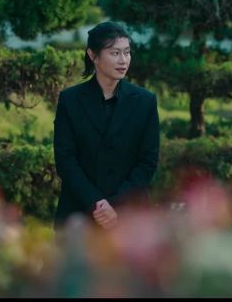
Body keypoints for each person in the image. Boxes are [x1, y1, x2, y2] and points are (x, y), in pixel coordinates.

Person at [53, 21, 159, 230]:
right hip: (79, 212)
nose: (123, 60)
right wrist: (97, 204)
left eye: (127, 52)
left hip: (129, 216)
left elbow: (147, 162)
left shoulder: (145, 101)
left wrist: (115, 206)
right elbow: (65, 160)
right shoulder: (70, 100)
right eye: (115, 53)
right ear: (93, 55)